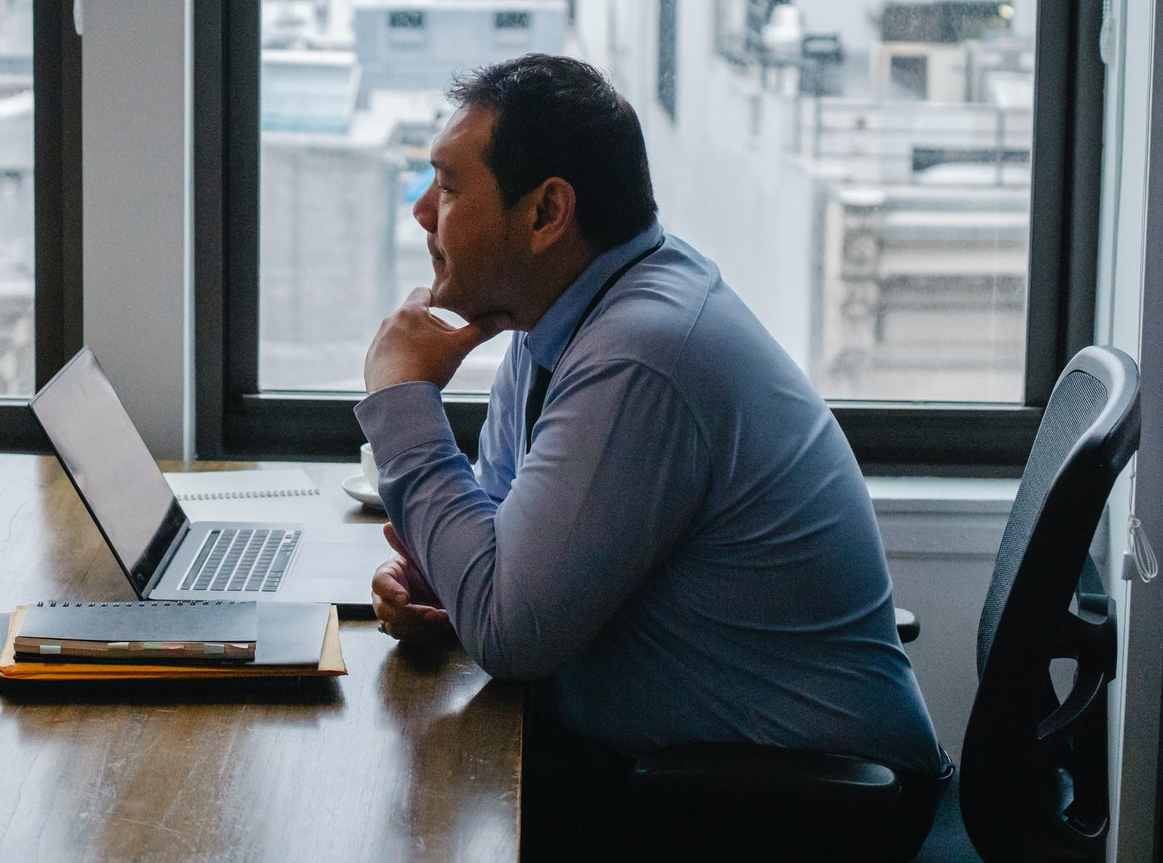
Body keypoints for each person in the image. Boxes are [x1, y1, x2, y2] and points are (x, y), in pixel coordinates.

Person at [357, 54, 946, 856]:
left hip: (796, 809)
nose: (423, 212)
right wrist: (443, 577)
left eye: (450, 188)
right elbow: (500, 553)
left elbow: (510, 635)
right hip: (684, 771)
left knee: (394, 826)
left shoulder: (642, 354)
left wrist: (400, 402)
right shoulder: (553, 324)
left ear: (545, 213)